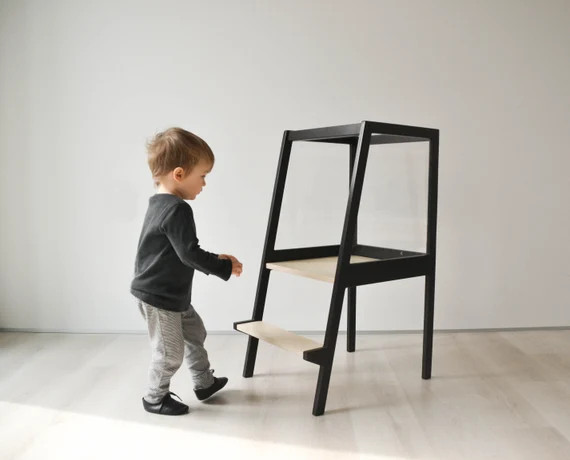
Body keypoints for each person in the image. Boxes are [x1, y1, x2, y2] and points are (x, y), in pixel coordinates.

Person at [131, 127, 243, 415]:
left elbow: (180, 250)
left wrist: (215, 258)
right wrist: (223, 266)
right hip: (160, 297)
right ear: (179, 174)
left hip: (172, 294)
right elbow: (189, 253)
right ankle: (154, 398)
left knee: (195, 333)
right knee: (169, 353)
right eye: (203, 176)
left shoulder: (159, 203)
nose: (204, 183)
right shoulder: (177, 209)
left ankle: (204, 382)